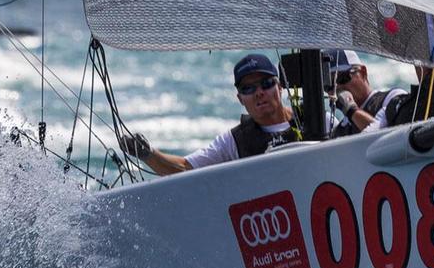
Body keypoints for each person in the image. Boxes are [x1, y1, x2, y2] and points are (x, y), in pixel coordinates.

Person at [118, 53, 300, 176]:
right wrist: (148, 154)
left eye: (266, 83)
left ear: (280, 87)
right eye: (248, 88)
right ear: (240, 99)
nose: (259, 92)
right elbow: (184, 168)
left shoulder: (319, 120)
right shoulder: (234, 141)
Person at [326, 49, 406, 138]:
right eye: (329, 84)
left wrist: (351, 109)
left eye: (342, 78)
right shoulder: (339, 131)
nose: (337, 88)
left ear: (363, 72)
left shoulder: (392, 98)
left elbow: (388, 139)